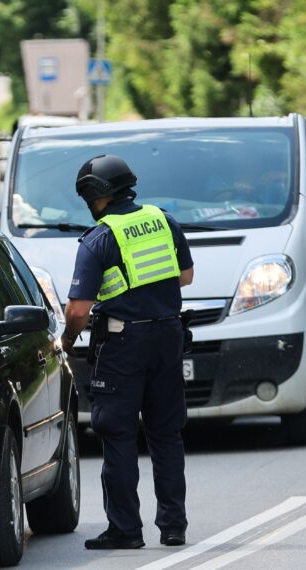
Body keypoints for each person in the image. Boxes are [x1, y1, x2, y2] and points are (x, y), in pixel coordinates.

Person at [60, 154, 194, 550]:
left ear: (94, 195)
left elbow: (78, 310)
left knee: (117, 434)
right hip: (169, 336)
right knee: (166, 434)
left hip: (123, 345)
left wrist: (66, 342)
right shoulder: (162, 220)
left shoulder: (99, 238)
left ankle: (125, 529)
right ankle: (173, 527)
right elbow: (185, 275)